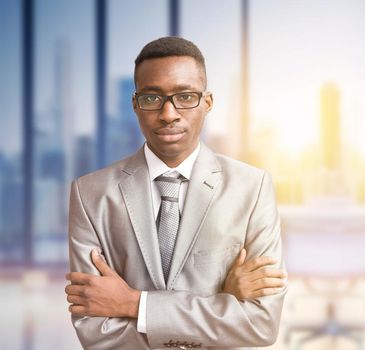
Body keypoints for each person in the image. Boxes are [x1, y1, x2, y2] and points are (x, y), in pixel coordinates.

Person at [65, 36, 287, 349]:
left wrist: (134, 305)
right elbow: (96, 333)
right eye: (153, 98)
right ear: (135, 104)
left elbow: (260, 324)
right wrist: (223, 303)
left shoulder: (252, 188)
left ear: (207, 102)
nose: (169, 113)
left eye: (185, 97)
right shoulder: (90, 194)